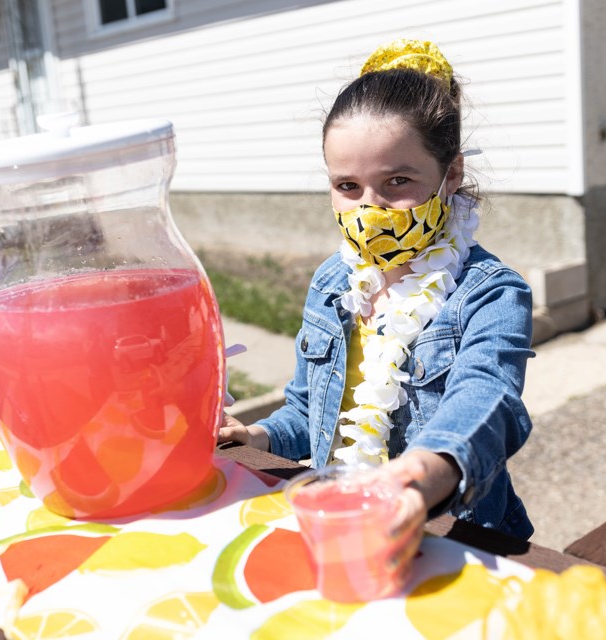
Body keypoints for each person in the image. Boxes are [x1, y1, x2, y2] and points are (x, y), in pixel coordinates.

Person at [218, 38, 535, 555]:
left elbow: (488, 400)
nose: (371, 207)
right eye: (348, 186)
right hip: (346, 527)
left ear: (450, 174)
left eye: (397, 181)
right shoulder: (331, 283)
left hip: (455, 539)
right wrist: (259, 438)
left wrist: (418, 478)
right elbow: (308, 411)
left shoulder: (492, 294)